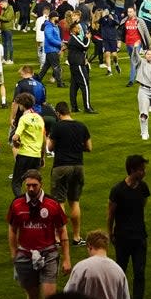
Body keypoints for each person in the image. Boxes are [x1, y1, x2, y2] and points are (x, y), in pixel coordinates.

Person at [7, 168, 72, 299]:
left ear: (41, 184)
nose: (31, 188)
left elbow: (62, 230)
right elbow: (12, 229)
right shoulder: (17, 204)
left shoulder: (52, 204)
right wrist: (13, 253)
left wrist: (67, 258)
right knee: (33, 297)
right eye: (28, 185)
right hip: (25, 255)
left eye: (34, 185)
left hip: (48, 253)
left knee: (50, 298)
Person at [107, 154, 150, 299]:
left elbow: (142, 207)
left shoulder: (143, 188)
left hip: (139, 237)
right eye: (141, 169)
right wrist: (110, 233)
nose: (144, 172)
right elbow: (110, 214)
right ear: (132, 170)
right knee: (120, 272)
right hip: (122, 238)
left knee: (140, 271)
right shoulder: (117, 190)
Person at [47, 101, 92, 244]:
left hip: (61, 166)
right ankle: (77, 237)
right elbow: (89, 147)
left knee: (59, 202)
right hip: (78, 166)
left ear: (58, 114)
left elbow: (50, 147)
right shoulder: (81, 126)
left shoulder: (57, 126)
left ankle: (60, 237)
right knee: (74, 202)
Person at [62, 229, 130, 299]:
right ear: (106, 247)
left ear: (90, 246)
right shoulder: (119, 271)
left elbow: (67, 296)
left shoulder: (82, 267)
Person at [10, 92, 45, 197]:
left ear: (21, 105)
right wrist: (42, 157)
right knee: (34, 183)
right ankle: (34, 203)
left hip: (24, 155)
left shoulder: (23, 118)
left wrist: (16, 143)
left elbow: (15, 137)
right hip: (37, 156)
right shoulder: (39, 118)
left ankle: (22, 203)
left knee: (16, 183)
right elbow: (43, 140)